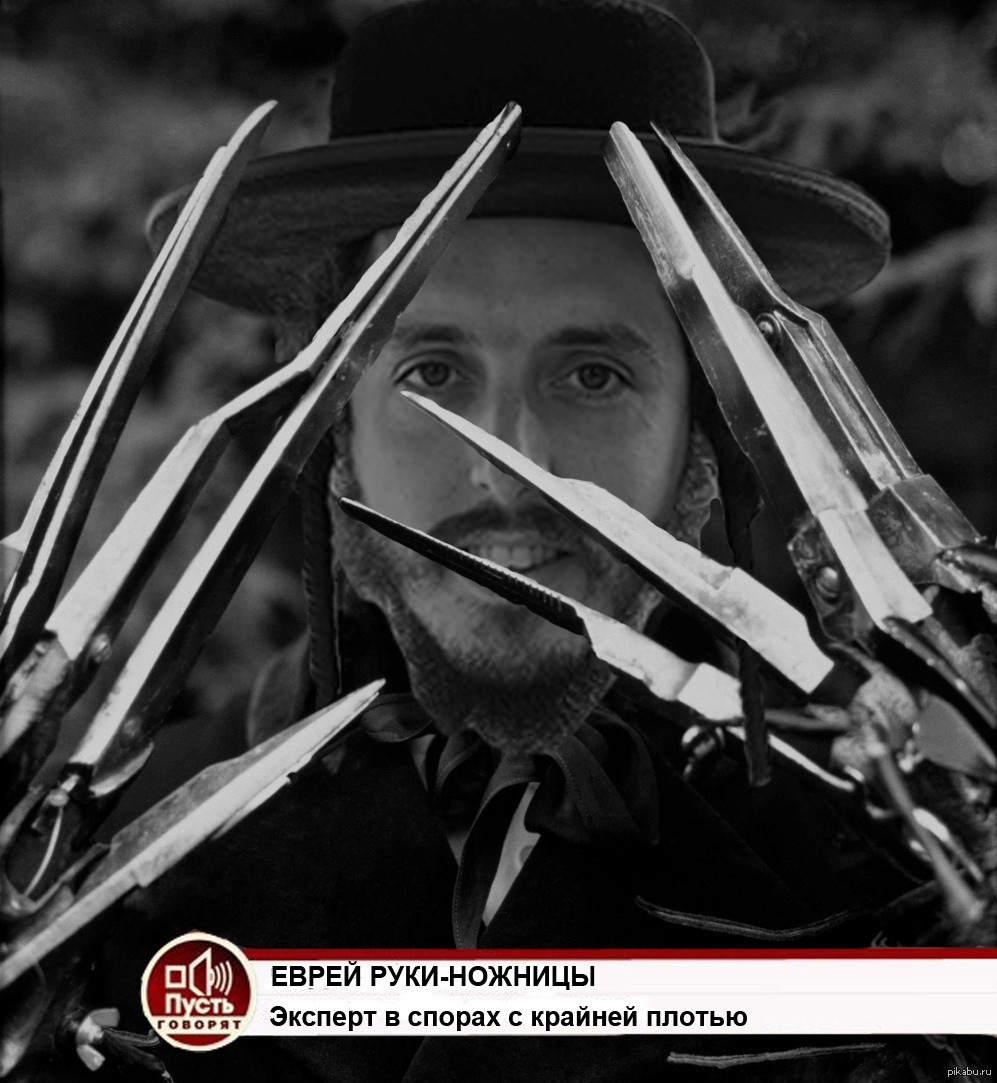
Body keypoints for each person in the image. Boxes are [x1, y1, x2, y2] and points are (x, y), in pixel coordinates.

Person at [73, 0, 986, 1079]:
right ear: (329, 427)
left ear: (705, 430)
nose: (508, 466)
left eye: (592, 375)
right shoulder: (103, 871)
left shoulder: (890, 872)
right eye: (432, 373)